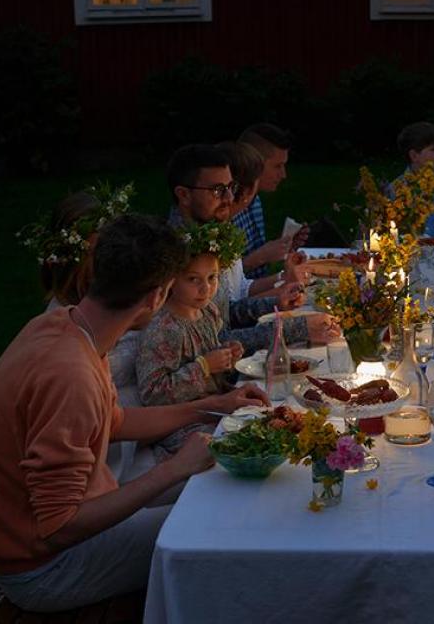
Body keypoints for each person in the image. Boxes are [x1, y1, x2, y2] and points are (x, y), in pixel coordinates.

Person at [0, 214, 270, 613]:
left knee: (226, 483)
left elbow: (114, 421)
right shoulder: (70, 374)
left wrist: (214, 405)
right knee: (221, 530)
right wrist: (175, 468)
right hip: (42, 569)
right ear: (156, 298)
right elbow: (59, 527)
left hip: (59, 527)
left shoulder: (67, 325)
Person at [21, 183, 144, 480]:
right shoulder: (68, 342)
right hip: (104, 468)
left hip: (133, 441)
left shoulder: (99, 313)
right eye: (102, 252)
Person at [166, 144, 336, 352]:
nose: (229, 198)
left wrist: (278, 301)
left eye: (231, 188)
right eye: (218, 190)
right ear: (183, 195)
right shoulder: (174, 254)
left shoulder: (207, 236)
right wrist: (297, 329)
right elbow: (213, 340)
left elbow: (225, 313)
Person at [137, 221, 246, 459]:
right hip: (180, 422)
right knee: (229, 449)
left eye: (212, 278)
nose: (205, 289)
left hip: (215, 406)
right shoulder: (164, 329)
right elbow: (153, 394)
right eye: (193, 279)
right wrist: (204, 366)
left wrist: (225, 355)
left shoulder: (208, 313)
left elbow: (210, 364)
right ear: (171, 280)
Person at [237, 123, 305, 278]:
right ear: (254, 162)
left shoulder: (255, 202)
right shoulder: (227, 209)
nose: (283, 175)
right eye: (277, 166)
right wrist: (261, 256)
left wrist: (282, 248)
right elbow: (222, 281)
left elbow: (258, 271)